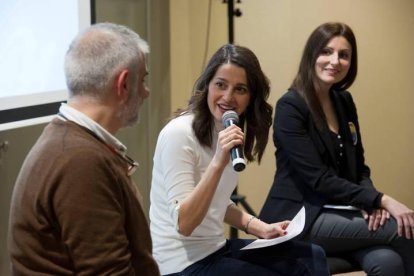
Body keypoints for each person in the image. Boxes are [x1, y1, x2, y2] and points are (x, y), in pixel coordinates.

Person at [149, 44, 330, 276]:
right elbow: (184, 224)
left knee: (313, 257)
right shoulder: (179, 133)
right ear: (207, 85)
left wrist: (259, 227)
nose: (228, 97)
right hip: (180, 263)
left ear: (251, 97)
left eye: (240, 89)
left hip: (215, 248)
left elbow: (217, 203)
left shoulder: (226, 126)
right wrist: (217, 163)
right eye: (220, 85)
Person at [259, 22, 414, 276]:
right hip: (300, 218)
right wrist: (382, 200)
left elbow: (359, 169)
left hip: (342, 213)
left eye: (344, 55)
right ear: (312, 55)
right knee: (403, 227)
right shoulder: (290, 107)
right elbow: (318, 179)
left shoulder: (344, 101)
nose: (335, 61)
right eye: (326, 52)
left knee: (389, 262)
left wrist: (371, 202)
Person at [8, 22, 160, 275]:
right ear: (123, 84)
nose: (146, 92)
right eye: (143, 79)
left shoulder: (70, 143)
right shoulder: (81, 161)